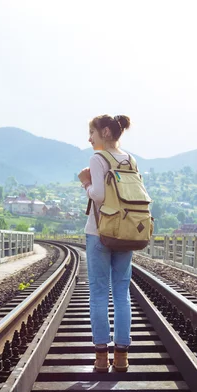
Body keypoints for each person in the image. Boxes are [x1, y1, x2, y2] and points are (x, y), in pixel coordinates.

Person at [78, 114, 133, 373]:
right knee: (122, 293)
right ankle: (121, 357)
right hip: (126, 232)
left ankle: (101, 357)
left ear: (106, 133)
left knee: (99, 293)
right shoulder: (130, 159)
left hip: (99, 232)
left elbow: (98, 196)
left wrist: (86, 183)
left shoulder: (98, 159)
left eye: (92, 133)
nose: (89, 138)